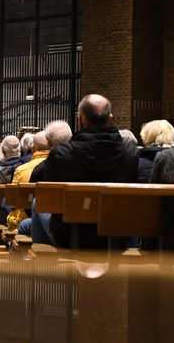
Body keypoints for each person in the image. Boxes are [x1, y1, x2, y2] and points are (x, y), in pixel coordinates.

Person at [29, 94, 140, 249]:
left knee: (36, 202)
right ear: (110, 118)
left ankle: (43, 265)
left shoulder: (62, 153)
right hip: (116, 237)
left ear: (79, 120)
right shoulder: (131, 153)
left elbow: (47, 194)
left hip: (69, 237)